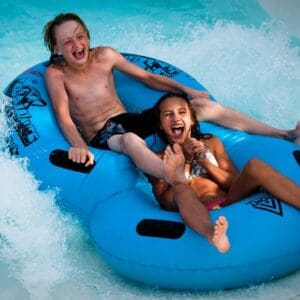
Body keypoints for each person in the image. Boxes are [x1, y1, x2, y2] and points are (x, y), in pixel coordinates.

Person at [44, 12, 300, 180]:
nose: (76, 45)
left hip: (129, 118)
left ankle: (284, 134)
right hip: (103, 134)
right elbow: (63, 116)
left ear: (88, 36)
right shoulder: (57, 74)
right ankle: (171, 176)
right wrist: (79, 144)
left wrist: (187, 91)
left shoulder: (105, 55)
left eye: (80, 37)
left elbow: (148, 78)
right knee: (130, 140)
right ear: (56, 48)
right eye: (67, 42)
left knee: (199, 107)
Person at [148, 92, 300, 252]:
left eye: (182, 112)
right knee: (183, 189)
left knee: (255, 165)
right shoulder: (159, 159)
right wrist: (184, 161)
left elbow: (234, 183)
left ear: (192, 119)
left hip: (228, 202)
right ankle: (211, 234)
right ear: (160, 124)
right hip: (198, 213)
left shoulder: (210, 142)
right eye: (168, 114)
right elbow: (167, 203)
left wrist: (205, 162)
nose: (175, 118)